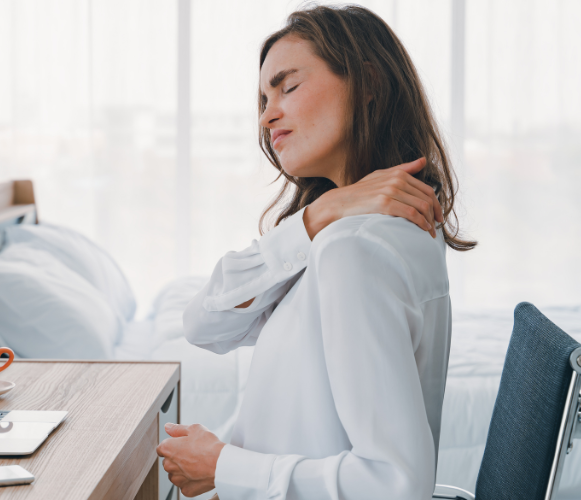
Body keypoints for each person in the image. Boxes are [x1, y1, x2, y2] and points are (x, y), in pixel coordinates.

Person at [156, 5, 476, 500]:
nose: (266, 115)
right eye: (263, 97)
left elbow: (395, 485)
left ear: (367, 83)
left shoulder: (355, 248)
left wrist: (224, 467)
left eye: (288, 87)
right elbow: (204, 323)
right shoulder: (346, 233)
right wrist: (322, 212)